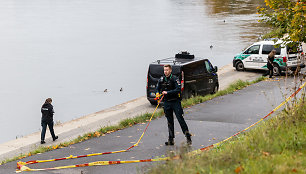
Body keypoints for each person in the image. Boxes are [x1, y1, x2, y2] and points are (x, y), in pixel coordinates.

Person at [156, 64, 192, 145]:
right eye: (164, 70)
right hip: (166, 103)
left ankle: (188, 137)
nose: (165, 72)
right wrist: (157, 93)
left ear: (170, 70)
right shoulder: (161, 79)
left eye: (167, 70)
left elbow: (178, 89)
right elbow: (157, 87)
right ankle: (171, 139)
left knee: (180, 119)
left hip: (175, 102)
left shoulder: (175, 79)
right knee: (169, 121)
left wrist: (167, 92)